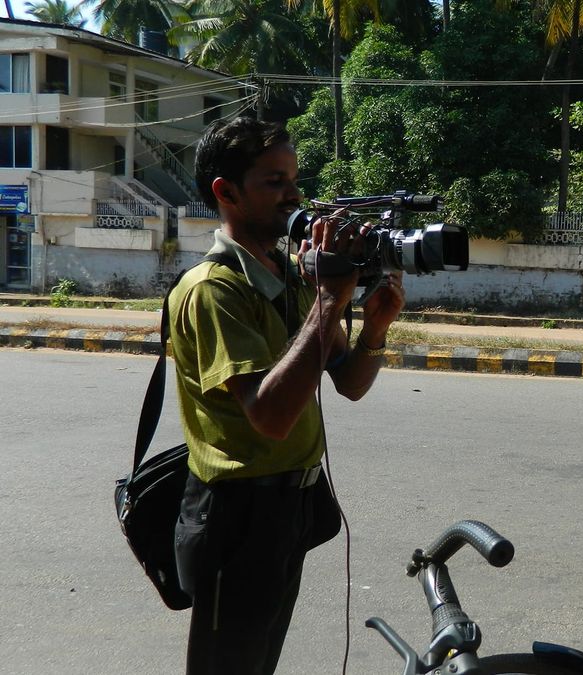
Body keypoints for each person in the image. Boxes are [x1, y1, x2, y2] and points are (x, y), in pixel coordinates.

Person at [169, 117, 405, 674]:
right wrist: (328, 302)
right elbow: (270, 417)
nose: (294, 195)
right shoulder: (214, 290)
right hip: (238, 514)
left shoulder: (289, 276)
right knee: (231, 666)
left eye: (294, 179)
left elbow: (347, 382)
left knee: (260, 661)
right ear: (226, 193)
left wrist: (374, 328)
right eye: (274, 181)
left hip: (288, 508)